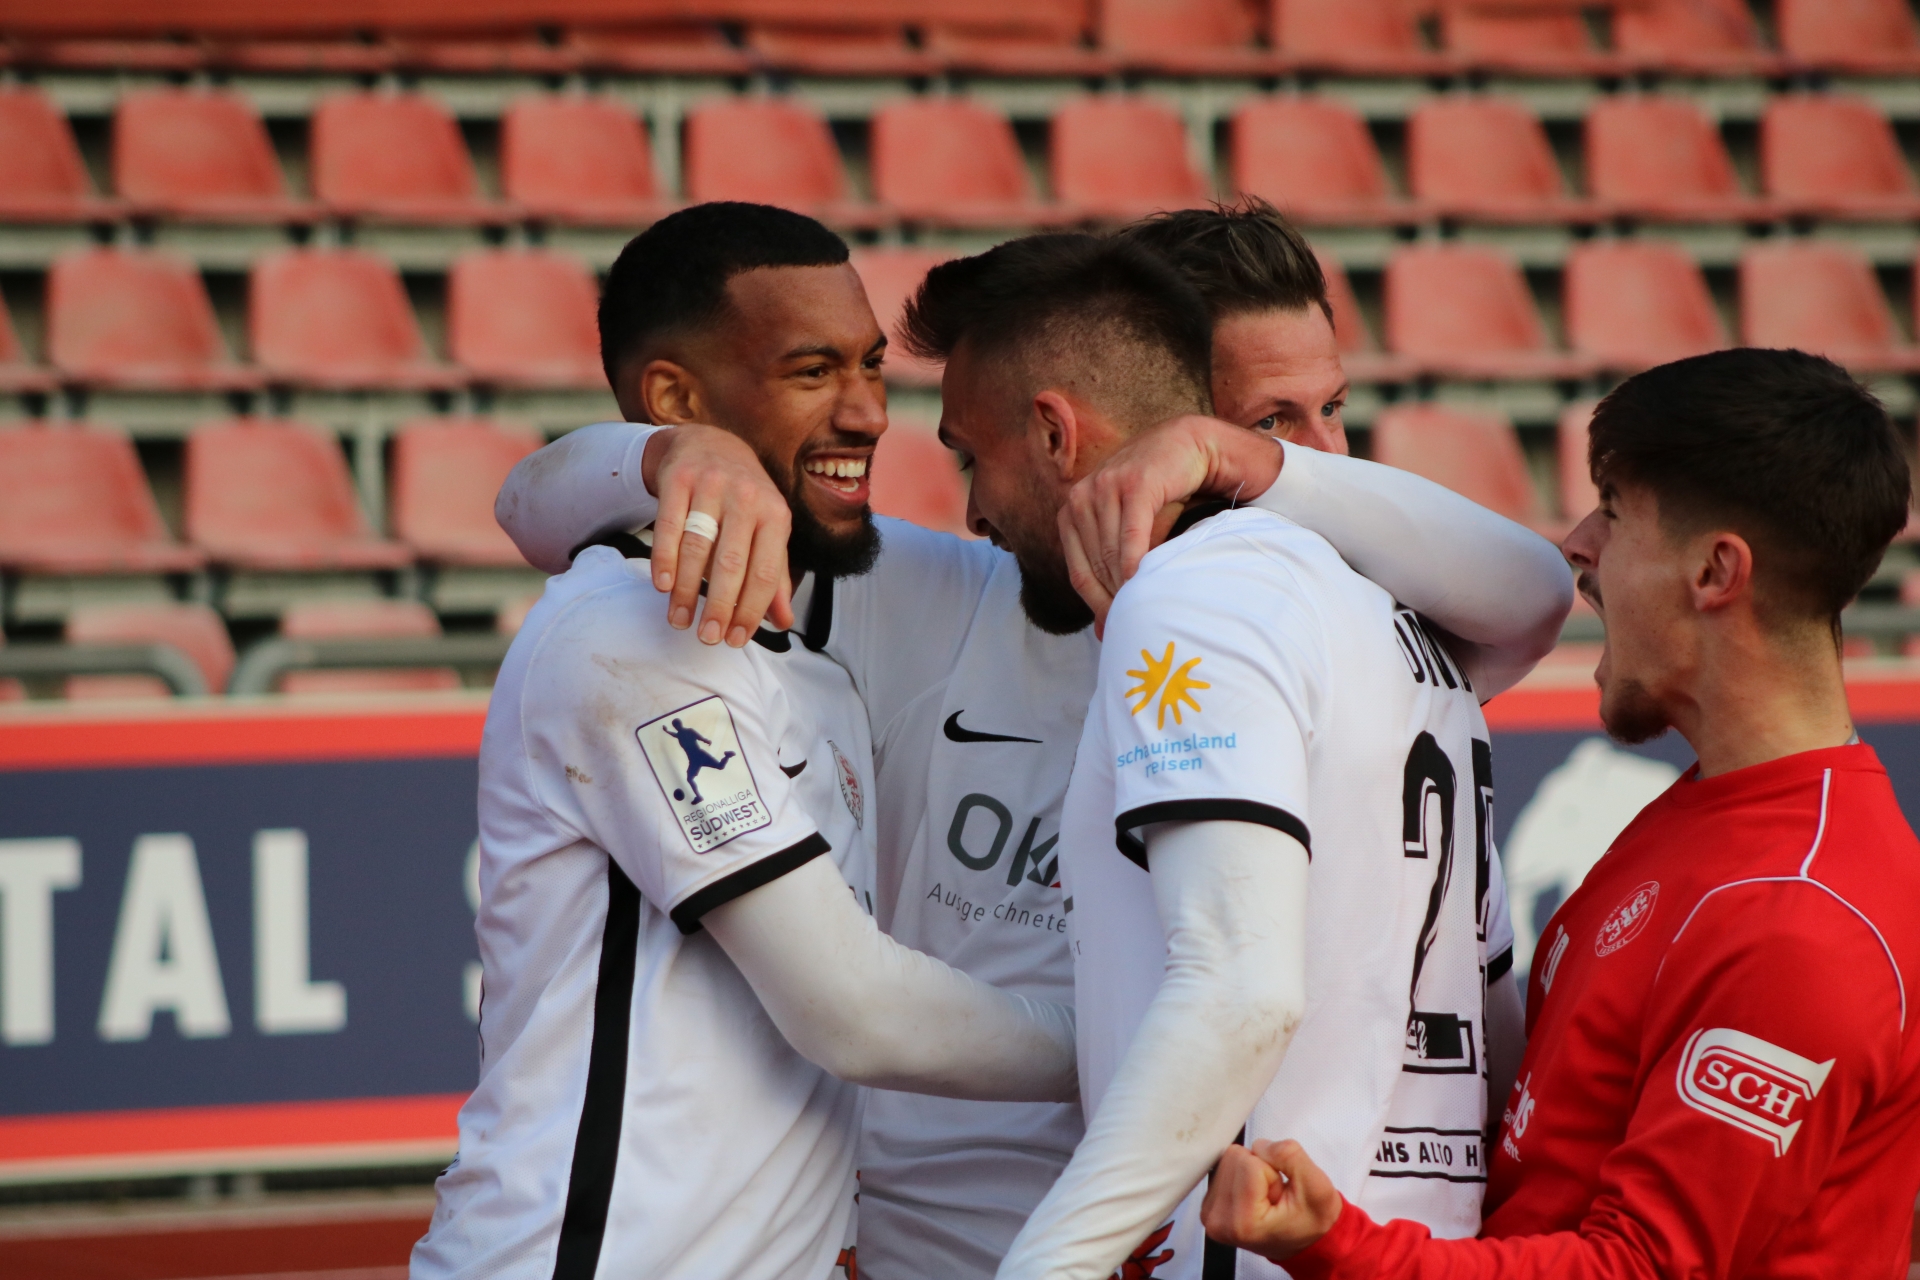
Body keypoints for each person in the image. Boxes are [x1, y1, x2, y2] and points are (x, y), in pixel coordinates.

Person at [494, 205, 1571, 1278]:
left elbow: (1535, 590)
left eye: (1327, 414)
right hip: (952, 1248)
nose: (1314, 461)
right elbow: (534, 512)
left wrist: (1266, 466)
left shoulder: (1305, 622)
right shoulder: (934, 599)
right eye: (1269, 423)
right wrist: (670, 456)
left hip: (1208, 1234)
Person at [410, 203, 1078, 1280]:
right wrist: (1140, 1039)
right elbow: (855, 1012)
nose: (867, 411)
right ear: (678, 398)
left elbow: (528, 497)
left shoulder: (803, 627)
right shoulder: (635, 629)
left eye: (871, 365)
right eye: (812, 371)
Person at [1197, 348, 1920, 1280]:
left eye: (1613, 511)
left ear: (1715, 570)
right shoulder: (1712, 813)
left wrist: (1336, 1244)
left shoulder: (1801, 920)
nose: (1577, 545)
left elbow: (1634, 1271)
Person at [925, 242, 1515, 1280]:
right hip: (1409, 1243)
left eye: (974, 459)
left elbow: (1241, 993)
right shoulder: (1403, 624)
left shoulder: (1196, 596)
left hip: (1260, 1247)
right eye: (1278, 421)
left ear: (1060, 428)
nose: (1326, 460)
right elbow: (1491, 1000)